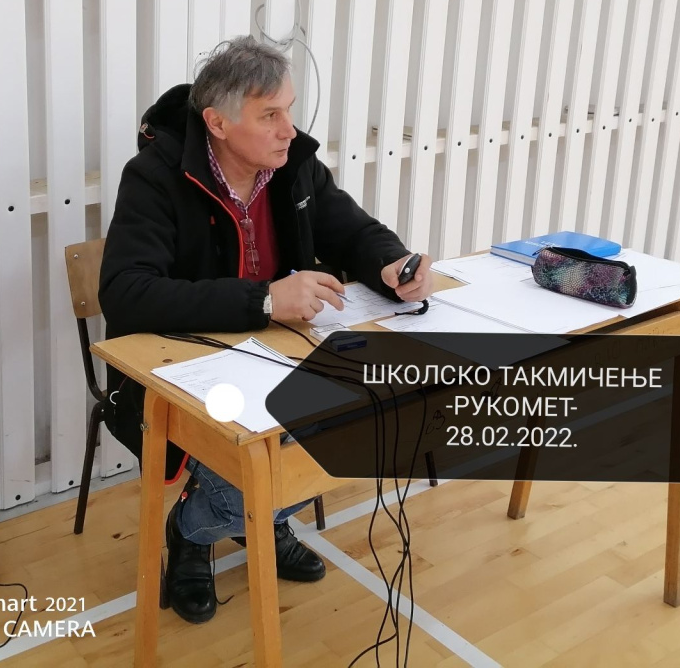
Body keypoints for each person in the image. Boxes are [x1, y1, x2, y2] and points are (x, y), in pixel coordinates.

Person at [99, 36, 432, 624]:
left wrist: (391, 263)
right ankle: (200, 529)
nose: (288, 130)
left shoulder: (293, 166)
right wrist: (264, 300)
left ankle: (257, 514)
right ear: (217, 123)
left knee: (369, 410)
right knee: (273, 443)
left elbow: (353, 230)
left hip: (279, 351)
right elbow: (125, 293)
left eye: (290, 110)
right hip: (184, 364)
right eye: (270, 115)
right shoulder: (154, 176)